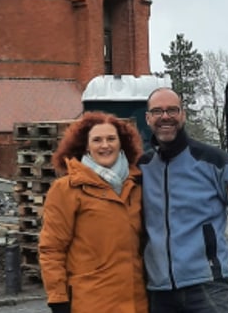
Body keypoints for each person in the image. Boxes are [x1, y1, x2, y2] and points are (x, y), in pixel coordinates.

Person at [140, 88, 228, 313]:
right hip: (159, 292)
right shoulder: (142, 168)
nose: (165, 116)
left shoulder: (215, 161)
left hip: (208, 286)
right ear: (148, 118)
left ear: (183, 115)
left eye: (172, 110)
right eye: (157, 111)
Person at [38, 112, 148, 313]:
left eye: (111, 139)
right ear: (86, 146)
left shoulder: (136, 184)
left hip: (137, 301)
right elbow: (52, 248)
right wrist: (58, 298)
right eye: (97, 140)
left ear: (121, 143)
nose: (105, 145)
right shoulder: (66, 189)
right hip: (91, 302)